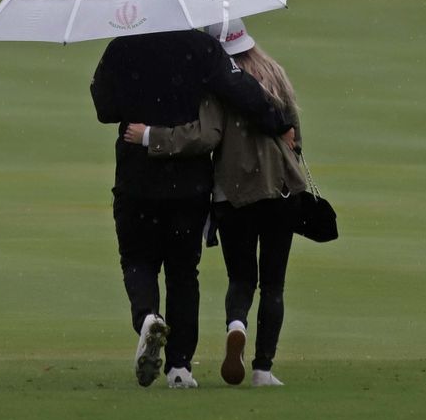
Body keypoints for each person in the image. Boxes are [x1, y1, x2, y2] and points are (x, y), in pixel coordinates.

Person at [91, 28, 293, 389]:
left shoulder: (121, 47)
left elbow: (105, 110)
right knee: (183, 273)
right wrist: (278, 125)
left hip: (136, 179)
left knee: (138, 261)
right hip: (189, 184)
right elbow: (242, 92)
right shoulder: (200, 46)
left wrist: (134, 95)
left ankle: (149, 318)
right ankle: (180, 368)